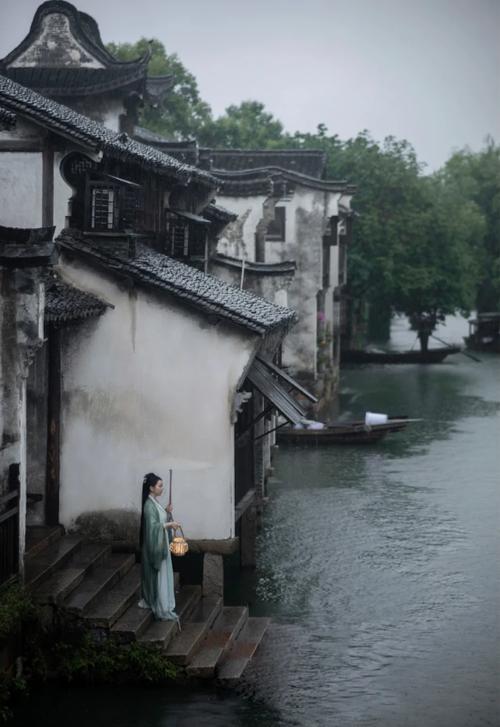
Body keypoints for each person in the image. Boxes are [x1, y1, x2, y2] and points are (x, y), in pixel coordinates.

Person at [138, 472, 180, 623]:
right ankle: (161, 604)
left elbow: (159, 522)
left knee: (164, 575)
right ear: (151, 488)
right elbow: (153, 528)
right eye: (160, 486)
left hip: (161, 546)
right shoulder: (149, 506)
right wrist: (170, 524)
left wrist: (167, 513)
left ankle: (165, 602)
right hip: (154, 548)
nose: (162, 488)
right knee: (160, 576)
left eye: (162, 485)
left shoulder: (154, 502)